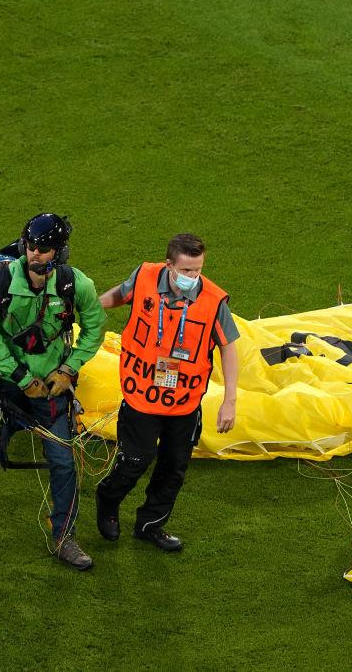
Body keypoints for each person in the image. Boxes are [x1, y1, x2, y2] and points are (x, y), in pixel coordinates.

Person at [0, 213, 106, 571]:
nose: (34, 254)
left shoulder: (77, 285)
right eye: (30, 246)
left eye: (43, 248)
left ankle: (64, 537)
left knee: (63, 462)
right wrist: (22, 378)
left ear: (59, 252)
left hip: (54, 392)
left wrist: (68, 369)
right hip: (10, 389)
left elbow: (94, 329)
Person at [95, 233, 239, 552]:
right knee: (136, 459)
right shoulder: (146, 276)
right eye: (187, 271)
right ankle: (108, 499)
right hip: (141, 396)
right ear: (169, 265)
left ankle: (150, 525)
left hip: (184, 404)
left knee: (173, 468)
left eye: (198, 270)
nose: (194, 278)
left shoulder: (212, 301)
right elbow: (122, 294)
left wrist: (230, 400)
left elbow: (229, 347)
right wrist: (94, 306)